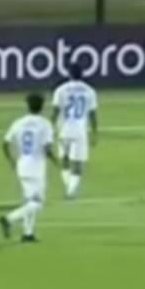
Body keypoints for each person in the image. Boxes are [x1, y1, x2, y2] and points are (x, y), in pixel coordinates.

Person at [0, 93, 59, 244]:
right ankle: (9, 219)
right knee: (38, 204)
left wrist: (11, 161)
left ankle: (28, 234)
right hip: (36, 168)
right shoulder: (45, 124)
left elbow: (5, 143)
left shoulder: (19, 122)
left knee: (29, 202)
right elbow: (46, 148)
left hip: (22, 165)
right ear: (42, 106)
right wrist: (57, 161)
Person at [51, 63, 99, 200]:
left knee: (64, 160)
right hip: (79, 130)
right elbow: (92, 115)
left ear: (69, 74)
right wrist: (94, 133)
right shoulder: (90, 91)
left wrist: (50, 129)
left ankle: (68, 186)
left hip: (63, 129)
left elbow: (55, 112)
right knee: (77, 164)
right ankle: (71, 190)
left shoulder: (60, 90)